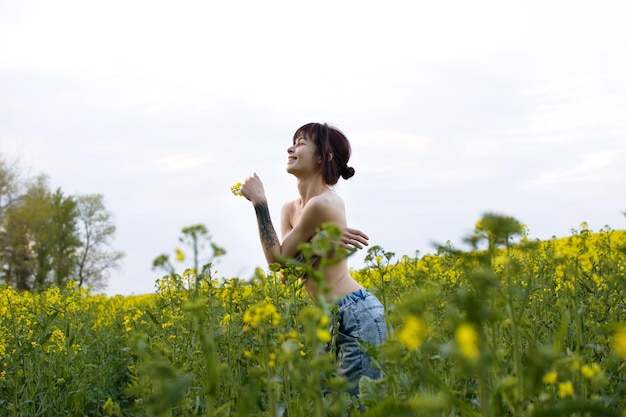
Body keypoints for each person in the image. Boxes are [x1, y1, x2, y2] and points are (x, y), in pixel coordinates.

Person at [240, 122, 387, 401]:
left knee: (355, 406)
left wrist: (260, 203)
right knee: (329, 403)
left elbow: (282, 260)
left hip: (355, 314)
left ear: (324, 156)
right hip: (325, 320)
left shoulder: (324, 204)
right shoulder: (290, 209)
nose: (291, 148)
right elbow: (283, 271)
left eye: (302, 142)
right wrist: (318, 245)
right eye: (293, 142)